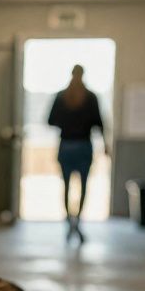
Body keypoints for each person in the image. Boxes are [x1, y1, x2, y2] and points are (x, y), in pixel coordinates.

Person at [47, 65, 108, 244]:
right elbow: (100, 123)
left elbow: (50, 120)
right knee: (83, 187)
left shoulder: (61, 96)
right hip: (84, 145)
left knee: (66, 186)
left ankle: (69, 222)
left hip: (66, 145)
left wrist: (67, 124)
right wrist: (105, 145)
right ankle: (78, 221)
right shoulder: (91, 97)